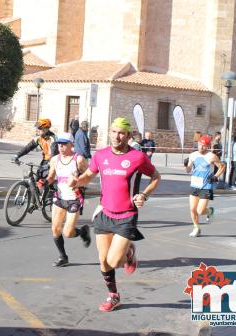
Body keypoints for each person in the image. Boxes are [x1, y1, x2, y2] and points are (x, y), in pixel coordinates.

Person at [68, 117, 161, 312]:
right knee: (103, 261)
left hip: (126, 215)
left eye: (121, 133)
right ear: (109, 132)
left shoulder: (138, 157)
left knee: (114, 262)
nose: (116, 136)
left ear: (128, 135)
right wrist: (76, 181)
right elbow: (88, 176)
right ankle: (113, 295)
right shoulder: (101, 155)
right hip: (104, 212)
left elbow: (156, 177)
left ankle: (128, 253)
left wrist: (143, 194)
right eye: (113, 132)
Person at [43, 132, 90, 267]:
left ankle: (83, 232)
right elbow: (51, 177)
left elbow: (88, 177)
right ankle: (63, 257)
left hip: (74, 199)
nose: (61, 147)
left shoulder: (79, 160)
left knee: (68, 232)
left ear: (72, 145)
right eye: (59, 144)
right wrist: (44, 182)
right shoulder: (55, 160)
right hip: (60, 197)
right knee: (55, 230)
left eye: (64, 145)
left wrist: (77, 181)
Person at [185, 134, 225, 237]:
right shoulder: (193, 155)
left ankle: (210, 211)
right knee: (192, 209)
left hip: (207, 186)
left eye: (203, 145)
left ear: (207, 146)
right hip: (194, 185)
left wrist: (215, 177)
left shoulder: (211, 156)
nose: (200, 147)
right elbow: (188, 170)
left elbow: (222, 167)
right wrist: (186, 165)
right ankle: (196, 228)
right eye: (199, 144)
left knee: (200, 210)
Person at [13, 118, 59, 188]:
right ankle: (36, 197)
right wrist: (17, 155)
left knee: (47, 180)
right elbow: (28, 147)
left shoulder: (52, 138)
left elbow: (54, 152)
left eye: (40, 128)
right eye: (38, 128)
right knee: (38, 178)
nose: (38, 130)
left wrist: (51, 163)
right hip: (45, 161)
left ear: (46, 128)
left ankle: (49, 196)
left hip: (53, 161)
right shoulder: (39, 138)